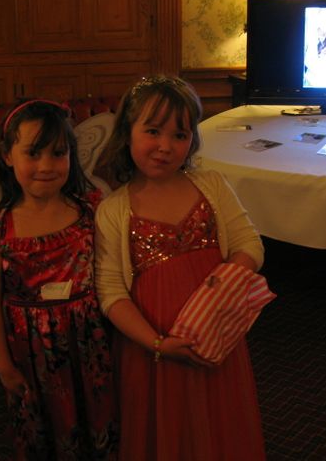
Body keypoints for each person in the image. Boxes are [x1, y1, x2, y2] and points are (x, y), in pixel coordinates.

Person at [94, 76, 268, 460]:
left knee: (218, 419)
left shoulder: (211, 185)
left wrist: (219, 288)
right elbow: (110, 292)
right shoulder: (113, 209)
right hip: (151, 348)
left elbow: (249, 245)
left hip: (215, 333)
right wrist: (156, 343)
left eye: (180, 135)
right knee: (166, 426)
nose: (165, 146)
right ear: (127, 132)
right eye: (152, 131)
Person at [0, 99, 118, 460]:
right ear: (8, 156)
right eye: (33, 153)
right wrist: (2, 365)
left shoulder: (90, 211)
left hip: (89, 344)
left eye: (58, 153)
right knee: (44, 428)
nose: (46, 166)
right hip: (31, 350)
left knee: (95, 420)